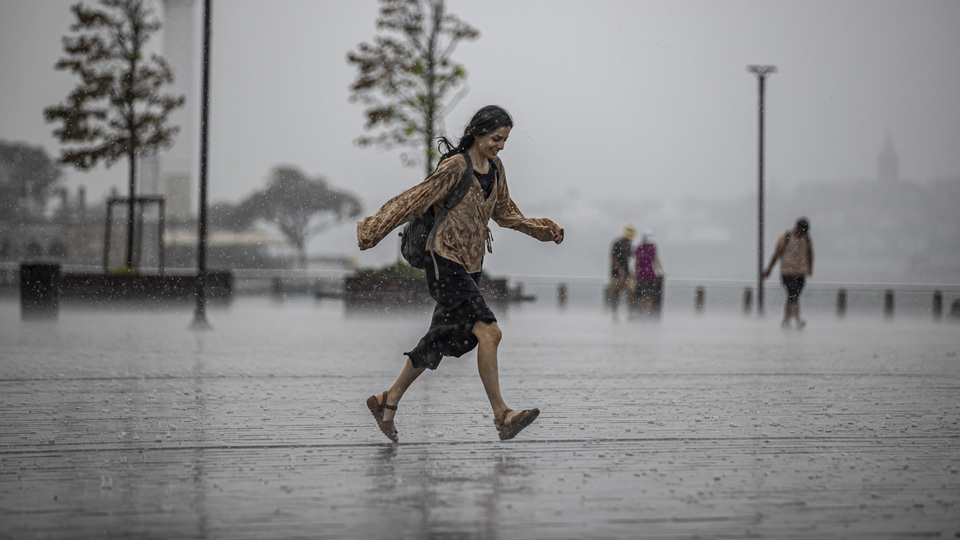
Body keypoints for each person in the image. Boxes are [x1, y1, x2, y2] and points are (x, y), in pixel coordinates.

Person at [356, 105, 565, 442]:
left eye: (505, 140)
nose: (500, 146)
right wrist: (373, 230)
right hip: (443, 262)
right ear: (478, 133)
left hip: (471, 266)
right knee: (490, 333)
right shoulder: (456, 166)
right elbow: (415, 199)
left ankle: (387, 401)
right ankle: (503, 415)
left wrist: (542, 230)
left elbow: (505, 212)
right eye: (496, 138)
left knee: (437, 341)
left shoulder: (495, 169)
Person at [763, 217, 814, 328]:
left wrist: (810, 268)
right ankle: (797, 319)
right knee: (793, 295)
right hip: (787, 272)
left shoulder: (806, 239)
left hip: (801, 273)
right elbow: (776, 254)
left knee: (792, 297)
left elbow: (810, 254)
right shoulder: (786, 237)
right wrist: (769, 269)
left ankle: (786, 319)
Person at [633, 229, 664, 316]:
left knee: (649, 296)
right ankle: (640, 311)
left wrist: (660, 270)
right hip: (641, 275)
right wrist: (635, 272)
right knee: (643, 295)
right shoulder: (639, 247)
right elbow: (637, 261)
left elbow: (656, 259)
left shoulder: (653, 247)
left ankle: (646, 314)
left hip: (651, 274)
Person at [608, 225, 635, 319]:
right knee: (615, 293)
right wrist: (619, 269)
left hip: (627, 273)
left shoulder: (630, 244)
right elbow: (613, 258)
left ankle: (630, 313)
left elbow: (631, 258)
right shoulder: (617, 243)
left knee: (630, 292)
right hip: (615, 274)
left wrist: (631, 271)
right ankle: (615, 314)